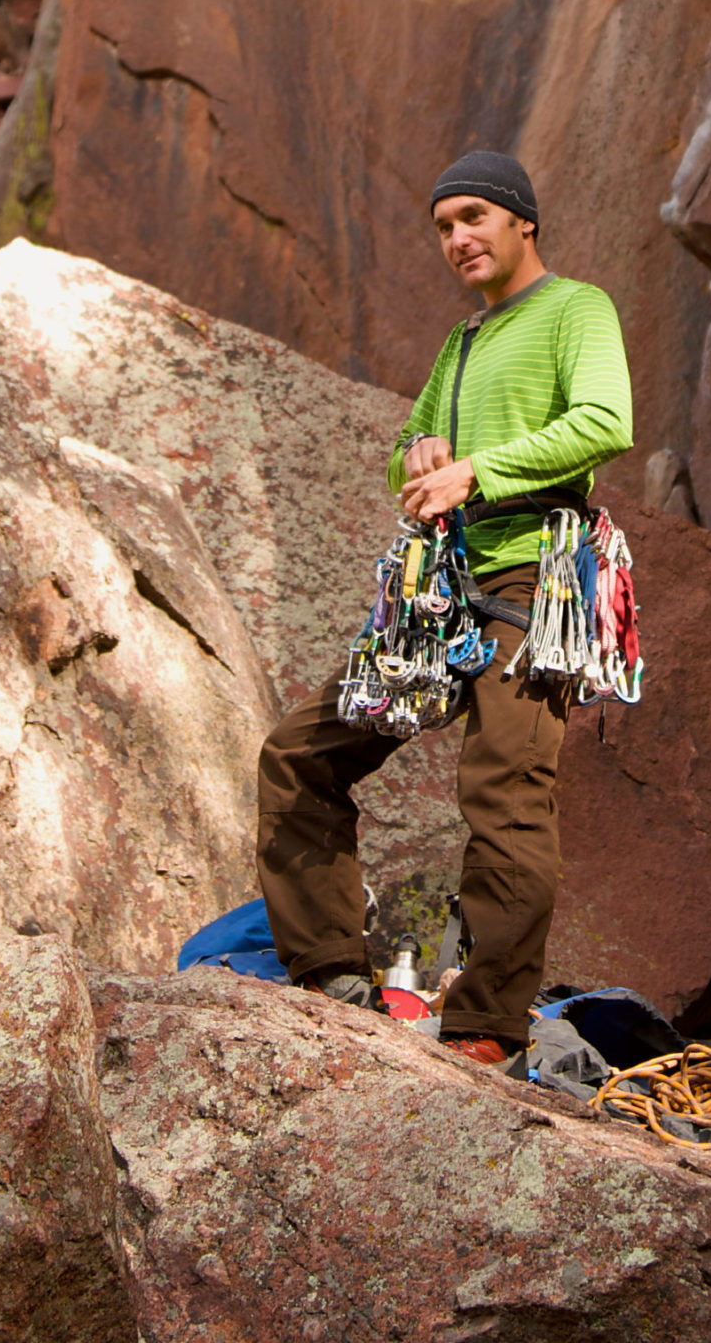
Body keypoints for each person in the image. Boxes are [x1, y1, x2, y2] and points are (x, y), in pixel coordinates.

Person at [255, 148, 633, 1064]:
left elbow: (604, 422)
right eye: (442, 227)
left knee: (505, 792)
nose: (457, 238)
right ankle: (334, 978)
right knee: (300, 753)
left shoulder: (576, 309)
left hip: (532, 581)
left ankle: (486, 1031)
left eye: (473, 217)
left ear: (522, 221)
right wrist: (420, 453)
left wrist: (478, 469)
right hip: (441, 592)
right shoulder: (462, 343)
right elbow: (402, 459)